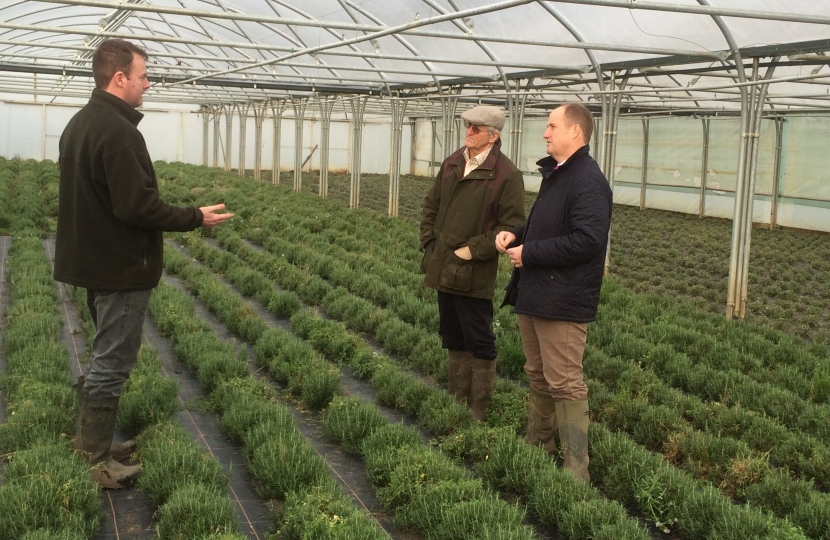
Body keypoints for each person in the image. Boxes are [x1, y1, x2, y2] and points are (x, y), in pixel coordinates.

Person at [54, 39, 234, 489]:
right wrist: (195, 217)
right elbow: (137, 206)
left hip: (95, 263)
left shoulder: (80, 123)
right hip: (119, 267)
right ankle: (95, 460)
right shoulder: (118, 133)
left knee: (105, 356)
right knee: (112, 362)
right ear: (120, 79)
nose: (148, 84)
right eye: (143, 76)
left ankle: (93, 444)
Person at [495, 103, 612, 482]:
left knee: (565, 382)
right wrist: (517, 234)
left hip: (562, 300)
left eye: (552, 126)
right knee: (538, 373)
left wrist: (530, 253)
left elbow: (588, 240)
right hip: (537, 293)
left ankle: (576, 470)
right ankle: (539, 442)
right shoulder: (559, 174)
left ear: (575, 131)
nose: (545, 133)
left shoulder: (588, 180)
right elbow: (547, 226)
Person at [420, 105, 525, 421]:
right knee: (452, 333)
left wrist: (470, 250)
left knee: (479, 338)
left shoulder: (506, 175)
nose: (469, 131)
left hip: (473, 272)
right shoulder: (453, 162)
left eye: (476, 128)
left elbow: (511, 226)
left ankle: (479, 409)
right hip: (442, 264)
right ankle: (458, 400)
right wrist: (430, 243)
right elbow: (431, 205)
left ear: (494, 135)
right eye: (468, 125)